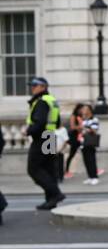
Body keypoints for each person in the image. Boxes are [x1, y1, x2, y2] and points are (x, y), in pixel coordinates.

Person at [25, 77, 64, 211]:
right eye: (32, 85)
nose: (32, 88)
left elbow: (39, 122)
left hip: (41, 137)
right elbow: (57, 122)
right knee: (48, 169)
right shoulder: (52, 100)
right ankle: (51, 200)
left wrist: (29, 131)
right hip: (50, 136)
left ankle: (56, 194)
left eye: (35, 85)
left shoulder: (41, 102)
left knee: (33, 169)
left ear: (43, 87)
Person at [79, 105, 102, 185]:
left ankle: (95, 177)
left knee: (91, 160)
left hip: (90, 142)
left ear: (89, 110)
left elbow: (94, 130)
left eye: (85, 109)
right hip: (83, 142)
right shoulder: (84, 120)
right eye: (83, 109)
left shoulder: (94, 119)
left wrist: (85, 128)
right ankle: (90, 176)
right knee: (86, 160)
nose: (83, 111)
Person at [64, 103, 85, 178]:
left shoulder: (82, 116)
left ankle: (93, 169)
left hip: (80, 137)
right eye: (82, 109)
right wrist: (80, 127)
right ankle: (66, 171)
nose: (83, 110)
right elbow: (72, 127)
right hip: (74, 137)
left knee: (87, 152)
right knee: (72, 154)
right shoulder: (74, 116)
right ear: (78, 109)